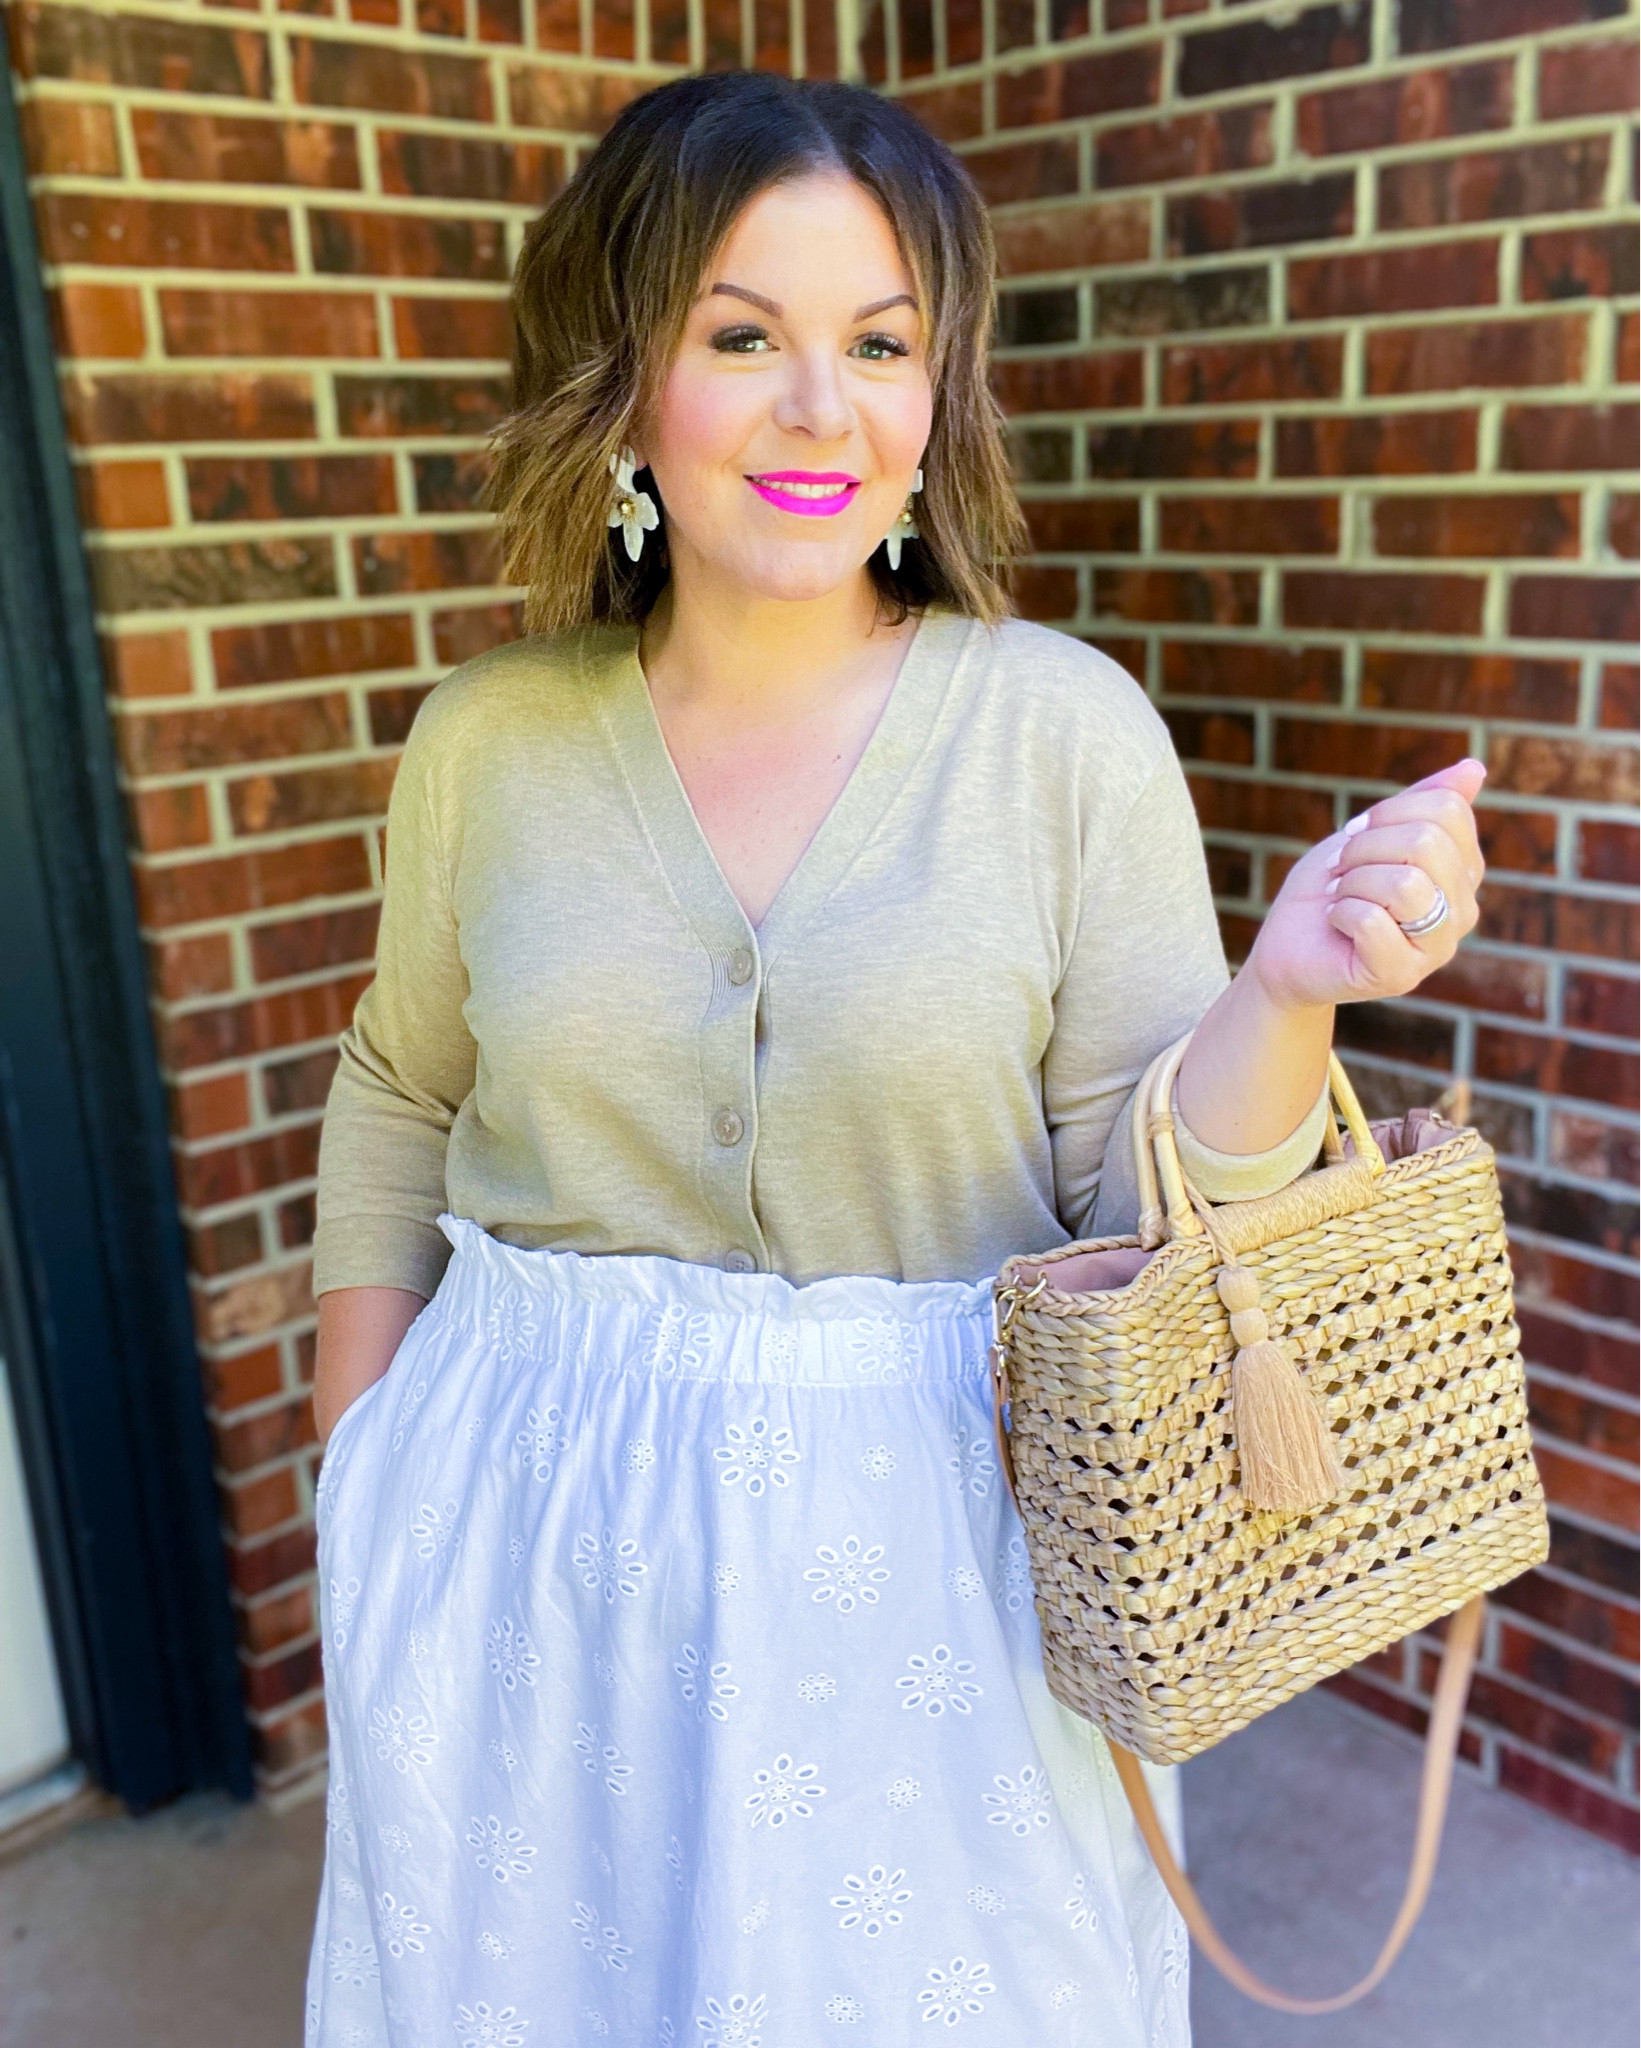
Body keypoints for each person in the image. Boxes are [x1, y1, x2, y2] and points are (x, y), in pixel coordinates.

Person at [302, 71, 1485, 2048]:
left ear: (938, 394)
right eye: (740, 336)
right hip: (526, 1540)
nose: (817, 410)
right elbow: (397, 1086)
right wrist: (364, 1462)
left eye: (878, 345)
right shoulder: (485, 743)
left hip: (940, 1555)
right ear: (621, 375)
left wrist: (1280, 991)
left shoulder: (1057, 733)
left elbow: (1142, 1194)